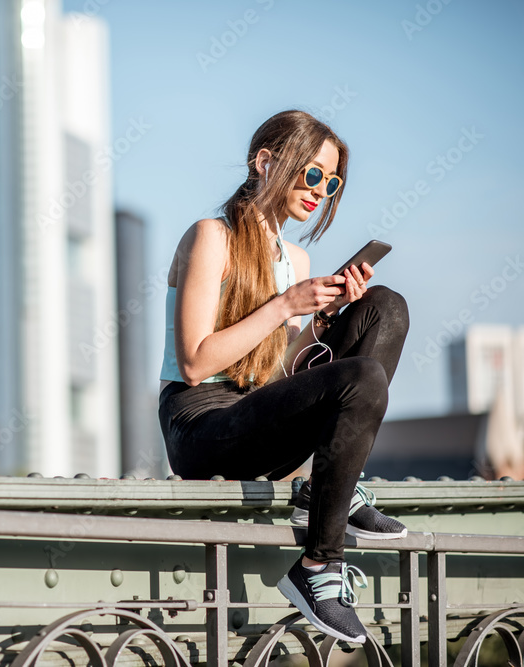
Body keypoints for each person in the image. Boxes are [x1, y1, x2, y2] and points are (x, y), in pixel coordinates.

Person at [157, 110, 410, 644]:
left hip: (257, 408)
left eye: (332, 181)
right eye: (312, 173)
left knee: (385, 307)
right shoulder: (211, 237)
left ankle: (324, 486)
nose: (322, 190)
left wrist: (320, 318)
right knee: (360, 375)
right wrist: (284, 304)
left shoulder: (296, 256)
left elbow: (278, 373)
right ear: (267, 161)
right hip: (200, 423)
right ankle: (318, 566)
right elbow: (196, 363)